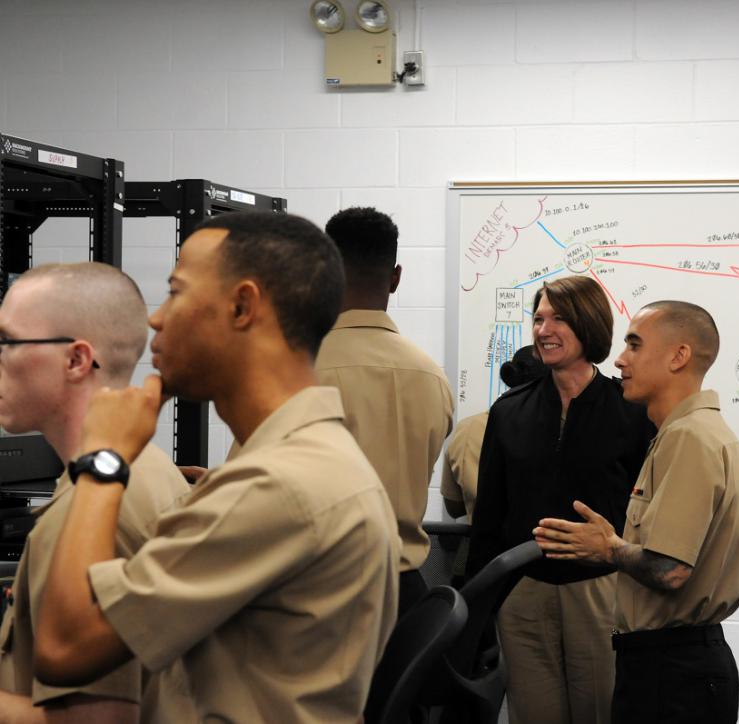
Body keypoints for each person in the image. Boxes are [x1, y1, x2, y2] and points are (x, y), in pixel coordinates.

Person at [32, 211, 400, 724]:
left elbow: (65, 646)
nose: (156, 319)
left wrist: (103, 460)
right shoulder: (297, 464)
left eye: (176, 291)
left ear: (242, 305)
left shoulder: (279, 485)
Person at [534, 300, 739, 724]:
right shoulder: (682, 433)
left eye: (634, 345)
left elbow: (670, 569)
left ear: (679, 356)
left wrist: (608, 548)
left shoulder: (690, 438)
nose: (619, 359)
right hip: (668, 665)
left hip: (672, 673)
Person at [0, 263, 193, 724]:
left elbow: (97, 721)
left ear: (76, 360)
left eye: (7, 342)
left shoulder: (92, 508)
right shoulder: (147, 469)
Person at [468, 276, 656, 724]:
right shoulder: (509, 410)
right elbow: (489, 517)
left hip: (600, 592)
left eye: (559, 318)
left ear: (588, 324)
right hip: (522, 594)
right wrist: (477, 611)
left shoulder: (630, 411)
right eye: (538, 318)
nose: (543, 330)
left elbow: (648, 515)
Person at [316, 206, 453, 616]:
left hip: (321, 598)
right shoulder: (432, 377)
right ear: (395, 277)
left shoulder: (296, 370)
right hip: (405, 595)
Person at [440, 345, 547, 522]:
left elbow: (455, 507)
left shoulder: (469, 428)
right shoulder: (561, 428)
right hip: (544, 545)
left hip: (485, 544)